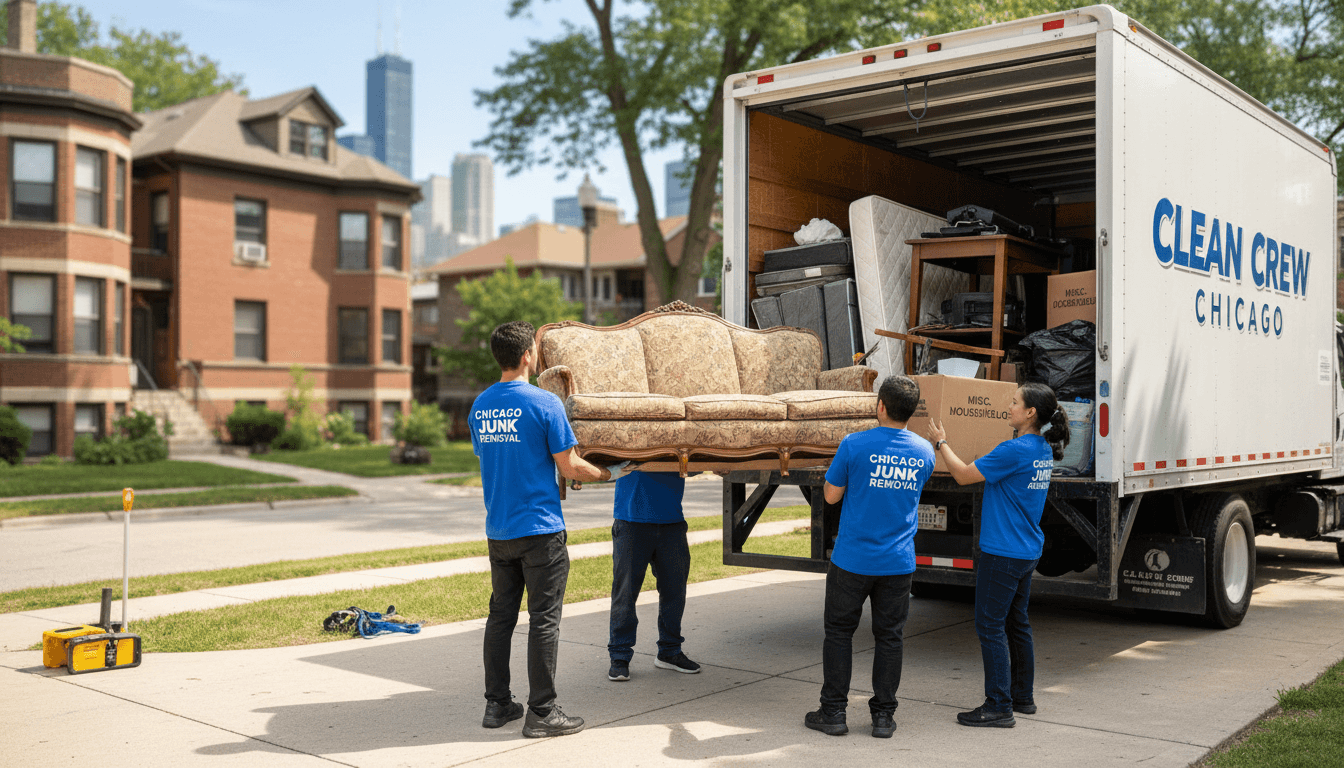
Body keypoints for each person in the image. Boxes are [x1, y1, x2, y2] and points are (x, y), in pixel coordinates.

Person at [470, 320, 629, 739]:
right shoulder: (544, 403)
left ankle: (497, 704)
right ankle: (542, 712)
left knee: (500, 618)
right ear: (528, 355)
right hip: (540, 530)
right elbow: (570, 465)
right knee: (543, 621)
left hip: (499, 531)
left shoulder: (480, 406)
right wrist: (608, 474)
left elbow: (499, 457)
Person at [926, 382, 1070, 729]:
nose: (1009, 406)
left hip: (1003, 551)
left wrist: (941, 442)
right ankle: (1022, 697)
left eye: (1015, 402)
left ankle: (998, 706)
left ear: (1030, 413)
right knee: (1016, 622)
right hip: (1025, 549)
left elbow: (963, 476)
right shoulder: (1042, 448)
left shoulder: (1013, 451)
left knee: (989, 626)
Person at [806, 375, 933, 739]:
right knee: (890, 637)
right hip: (897, 562)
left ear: (881, 406)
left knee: (839, 633)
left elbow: (831, 496)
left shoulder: (854, 444)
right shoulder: (924, 451)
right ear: (912, 411)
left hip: (853, 559)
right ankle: (883, 717)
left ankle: (833, 712)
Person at [607, 471, 700, 682]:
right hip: (631, 522)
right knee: (625, 594)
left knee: (674, 592)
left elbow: (692, 465)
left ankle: (670, 651)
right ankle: (619, 657)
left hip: (672, 522)